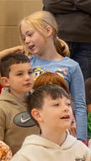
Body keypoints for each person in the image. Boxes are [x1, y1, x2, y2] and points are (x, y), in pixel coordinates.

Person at [20, 11, 87, 141]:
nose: (27, 41)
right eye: (24, 38)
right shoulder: (26, 65)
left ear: (48, 31)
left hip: (63, 133)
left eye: (30, 35)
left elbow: (80, 106)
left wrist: (81, 140)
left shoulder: (71, 66)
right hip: (34, 132)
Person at [0, 52, 37, 154]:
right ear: (6, 81)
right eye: (20, 74)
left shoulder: (41, 102)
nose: (27, 77)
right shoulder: (0, 109)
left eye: (30, 72)